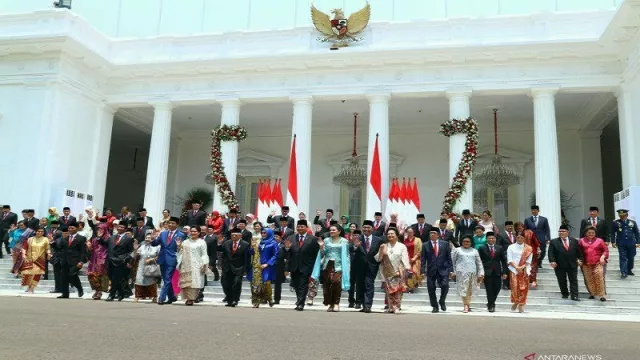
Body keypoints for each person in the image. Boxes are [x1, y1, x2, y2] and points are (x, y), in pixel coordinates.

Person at [311, 225, 350, 312]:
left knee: (336, 283)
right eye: (330, 230)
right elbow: (322, 253)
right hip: (327, 265)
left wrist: (347, 266)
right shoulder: (326, 240)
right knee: (327, 285)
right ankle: (330, 304)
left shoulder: (344, 241)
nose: (331, 231)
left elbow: (346, 255)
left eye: (334, 230)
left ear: (339, 231)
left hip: (339, 265)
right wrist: (321, 247)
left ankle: (336, 303)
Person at [286, 219, 321, 311]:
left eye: (302, 227)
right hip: (294, 266)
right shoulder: (291, 238)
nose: (300, 228)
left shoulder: (313, 239)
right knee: (296, 285)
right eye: (298, 227)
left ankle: (301, 303)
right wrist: (286, 248)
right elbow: (286, 253)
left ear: (306, 228)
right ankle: (299, 300)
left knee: (303, 285)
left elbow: (316, 254)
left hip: (307, 266)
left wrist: (314, 267)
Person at [374, 227, 409, 314]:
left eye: (392, 234)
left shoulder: (402, 246)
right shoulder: (384, 246)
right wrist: (381, 250)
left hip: (398, 271)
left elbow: (405, 259)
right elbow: (378, 259)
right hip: (387, 271)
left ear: (397, 235)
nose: (390, 235)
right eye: (388, 234)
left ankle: (397, 306)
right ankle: (390, 306)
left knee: (397, 291)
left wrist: (403, 269)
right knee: (389, 291)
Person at [151, 216, 185, 305]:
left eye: (173, 223)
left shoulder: (181, 235)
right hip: (162, 258)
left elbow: (182, 248)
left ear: (177, 225)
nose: (170, 224)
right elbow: (155, 244)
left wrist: (179, 246)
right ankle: (172, 297)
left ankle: (161, 298)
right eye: (169, 223)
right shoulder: (163, 233)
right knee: (166, 279)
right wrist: (152, 238)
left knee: (167, 278)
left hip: (173, 259)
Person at [421, 226, 453, 313]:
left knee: (445, 285)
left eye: (434, 233)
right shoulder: (425, 245)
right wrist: (422, 271)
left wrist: (451, 270)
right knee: (431, 288)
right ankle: (434, 306)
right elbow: (423, 259)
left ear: (438, 235)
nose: (432, 235)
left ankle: (442, 301)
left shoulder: (445, 244)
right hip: (431, 270)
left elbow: (449, 257)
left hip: (443, 269)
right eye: (430, 233)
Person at [548, 225, 584, 301]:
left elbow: (579, 252)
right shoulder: (554, 242)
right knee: (562, 280)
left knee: (573, 280)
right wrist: (552, 261)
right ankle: (565, 293)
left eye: (563, 231)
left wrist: (580, 260)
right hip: (559, 264)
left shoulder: (574, 241)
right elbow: (550, 253)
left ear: (567, 232)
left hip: (572, 264)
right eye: (560, 231)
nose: (561, 233)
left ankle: (574, 296)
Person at [451, 234, 484, 313]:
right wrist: (453, 272)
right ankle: (465, 305)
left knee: (470, 290)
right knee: (463, 289)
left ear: (471, 242)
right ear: (461, 242)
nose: (466, 243)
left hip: (472, 272)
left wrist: (481, 273)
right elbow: (452, 262)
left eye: (468, 241)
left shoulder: (474, 251)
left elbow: (479, 263)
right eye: (464, 241)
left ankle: (467, 304)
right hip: (461, 273)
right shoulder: (457, 250)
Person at [177, 227, 209, 306]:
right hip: (185, 265)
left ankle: (191, 299)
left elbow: (204, 254)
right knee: (186, 284)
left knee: (194, 283)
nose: (193, 233)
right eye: (191, 231)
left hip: (196, 265)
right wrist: (178, 246)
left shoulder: (202, 242)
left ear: (198, 232)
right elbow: (180, 253)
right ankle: (188, 298)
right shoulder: (185, 242)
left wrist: (204, 263)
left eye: (195, 231)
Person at [248, 228, 279, 308]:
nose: (263, 234)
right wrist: (251, 247)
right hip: (256, 266)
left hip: (266, 266)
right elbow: (251, 253)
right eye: (262, 233)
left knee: (266, 283)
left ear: (269, 233)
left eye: (265, 233)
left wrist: (268, 264)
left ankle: (269, 298)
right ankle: (256, 301)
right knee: (255, 283)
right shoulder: (258, 242)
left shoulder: (273, 243)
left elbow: (275, 255)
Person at [478, 232, 507, 312]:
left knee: (497, 288)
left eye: (493, 238)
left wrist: (504, 272)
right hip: (487, 272)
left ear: (495, 239)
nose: (491, 239)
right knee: (489, 289)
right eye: (489, 238)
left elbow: (504, 261)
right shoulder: (482, 248)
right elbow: (479, 261)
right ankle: (491, 305)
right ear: (486, 239)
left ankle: (491, 302)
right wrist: (480, 272)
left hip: (497, 271)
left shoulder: (499, 248)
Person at [220, 227, 249, 307]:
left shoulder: (245, 244)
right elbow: (222, 254)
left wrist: (246, 269)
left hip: (239, 267)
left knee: (236, 284)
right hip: (227, 267)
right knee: (225, 283)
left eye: (235, 235)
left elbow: (247, 258)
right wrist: (219, 243)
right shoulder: (227, 243)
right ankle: (229, 299)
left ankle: (235, 300)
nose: (233, 237)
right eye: (232, 235)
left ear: (240, 236)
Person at [578, 226, 609, 301]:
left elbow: (606, 250)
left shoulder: (600, 240)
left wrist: (603, 257)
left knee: (599, 277)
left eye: (593, 233)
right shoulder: (581, 241)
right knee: (589, 279)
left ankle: (602, 295)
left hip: (598, 263)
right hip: (586, 263)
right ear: (586, 233)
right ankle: (592, 293)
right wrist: (578, 260)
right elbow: (578, 251)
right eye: (589, 232)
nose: (591, 234)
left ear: (595, 233)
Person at [57, 221, 86, 299]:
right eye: (69, 228)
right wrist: (52, 242)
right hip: (65, 260)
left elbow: (83, 251)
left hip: (75, 261)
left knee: (72, 274)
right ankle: (65, 294)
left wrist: (81, 261)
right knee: (64, 277)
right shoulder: (65, 238)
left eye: (72, 228)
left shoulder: (81, 238)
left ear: (77, 228)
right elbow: (59, 248)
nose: (70, 229)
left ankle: (79, 288)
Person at [106, 223, 134, 301]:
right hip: (110, 260)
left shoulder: (128, 238)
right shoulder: (112, 237)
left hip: (120, 261)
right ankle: (122, 293)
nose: (120, 228)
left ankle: (112, 295)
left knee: (115, 278)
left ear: (125, 229)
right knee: (111, 277)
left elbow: (131, 251)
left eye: (122, 227)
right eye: (119, 226)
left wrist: (125, 259)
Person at [360, 220, 383, 313]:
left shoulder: (378, 240)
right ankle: (363, 304)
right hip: (360, 266)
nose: (366, 229)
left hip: (372, 267)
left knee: (369, 285)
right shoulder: (358, 238)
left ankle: (368, 305)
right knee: (361, 286)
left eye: (368, 227)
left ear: (372, 229)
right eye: (364, 227)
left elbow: (380, 253)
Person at [507, 232, 533, 313]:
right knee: (515, 288)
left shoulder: (529, 248)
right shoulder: (511, 247)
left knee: (524, 288)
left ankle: (521, 305)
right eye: (518, 237)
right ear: (515, 237)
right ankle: (516, 301)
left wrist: (521, 267)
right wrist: (516, 267)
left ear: (524, 238)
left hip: (524, 270)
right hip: (513, 270)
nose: (520, 239)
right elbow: (509, 259)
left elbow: (529, 261)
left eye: (521, 237)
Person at [19, 227, 50, 293]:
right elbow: (24, 248)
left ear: (44, 233)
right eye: (38, 231)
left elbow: (48, 249)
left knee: (37, 274)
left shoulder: (46, 239)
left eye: (42, 231)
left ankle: (32, 287)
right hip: (29, 258)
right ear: (35, 232)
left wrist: (49, 253)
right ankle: (28, 286)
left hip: (40, 259)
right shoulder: (30, 239)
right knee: (28, 273)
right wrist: (24, 254)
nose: (40, 232)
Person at [611, 209, 640, 278]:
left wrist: (638, 242)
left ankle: (629, 270)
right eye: (620, 216)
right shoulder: (616, 223)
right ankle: (624, 272)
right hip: (621, 243)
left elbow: (636, 233)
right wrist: (613, 241)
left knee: (631, 257)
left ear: (627, 215)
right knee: (623, 257)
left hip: (631, 243)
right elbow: (612, 233)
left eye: (623, 216)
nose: (622, 217)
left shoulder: (632, 222)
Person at [134, 232, 160, 303]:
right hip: (141, 266)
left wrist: (151, 259)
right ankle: (137, 297)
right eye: (146, 238)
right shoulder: (142, 246)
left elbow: (159, 256)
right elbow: (136, 256)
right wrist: (135, 250)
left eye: (149, 238)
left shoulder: (157, 247)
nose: (147, 239)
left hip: (151, 266)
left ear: (153, 239)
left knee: (151, 282)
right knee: (138, 281)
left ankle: (154, 297)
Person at [86, 223, 110, 300]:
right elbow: (91, 250)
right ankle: (97, 290)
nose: (99, 231)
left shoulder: (108, 238)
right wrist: (89, 247)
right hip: (94, 259)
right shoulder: (94, 239)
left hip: (103, 259)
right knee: (91, 275)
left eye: (101, 229)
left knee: (101, 276)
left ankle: (100, 291)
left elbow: (106, 245)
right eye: (98, 229)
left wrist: (100, 237)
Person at [515, 221, 541, 287]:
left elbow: (536, 242)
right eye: (518, 229)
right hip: (521, 254)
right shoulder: (516, 235)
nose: (519, 230)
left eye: (520, 228)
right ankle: (525, 281)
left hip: (531, 252)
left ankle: (534, 281)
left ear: (523, 227)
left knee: (533, 267)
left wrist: (538, 249)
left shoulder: (530, 232)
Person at [348, 229, 366, 308]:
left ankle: (358, 302)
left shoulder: (363, 245)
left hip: (360, 268)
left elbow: (364, 255)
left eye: (358, 235)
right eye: (354, 235)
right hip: (351, 268)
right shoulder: (349, 245)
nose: (356, 236)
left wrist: (359, 246)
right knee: (350, 286)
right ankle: (351, 301)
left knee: (359, 285)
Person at [403, 227, 423, 292]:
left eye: (411, 232)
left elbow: (420, 250)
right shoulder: (405, 240)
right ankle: (410, 287)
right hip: (407, 260)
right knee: (408, 273)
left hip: (416, 259)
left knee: (414, 272)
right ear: (406, 233)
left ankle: (413, 285)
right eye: (408, 232)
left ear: (413, 232)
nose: (410, 233)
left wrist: (414, 258)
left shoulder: (418, 240)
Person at [273, 230, 289, 305]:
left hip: (279, 267)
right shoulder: (270, 245)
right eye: (274, 236)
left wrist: (286, 269)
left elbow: (287, 259)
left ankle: (277, 299)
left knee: (277, 284)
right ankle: (266, 298)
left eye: (276, 236)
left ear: (280, 238)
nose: (275, 238)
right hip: (270, 267)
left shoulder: (283, 246)